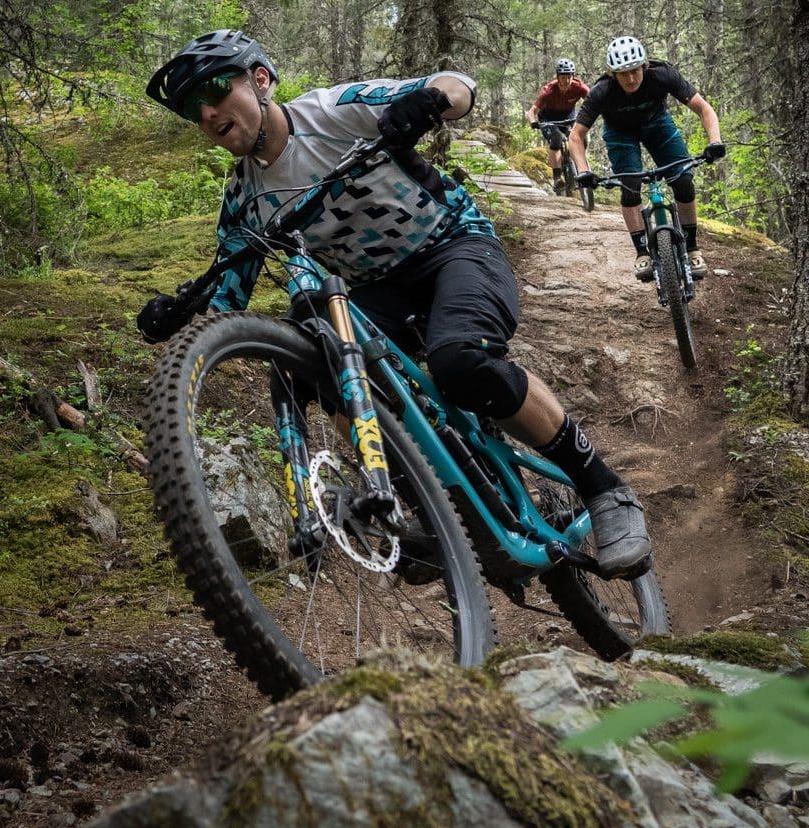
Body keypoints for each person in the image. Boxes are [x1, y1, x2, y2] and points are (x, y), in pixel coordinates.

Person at [136, 29, 655, 579]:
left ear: (260, 80)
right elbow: (226, 296)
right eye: (194, 108)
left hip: (455, 246)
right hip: (375, 290)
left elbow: (457, 86)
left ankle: (606, 491)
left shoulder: (332, 112)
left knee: (460, 360)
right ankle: (424, 505)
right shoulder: (245, 197)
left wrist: (428, 101)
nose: (209, 111)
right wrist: (181, 311)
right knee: (317, 360)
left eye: (216, 90)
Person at [568, 36, 725, 281]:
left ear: (644, 66)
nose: (631, 78)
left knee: (683, 180)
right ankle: (642, 252)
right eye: (623, 74)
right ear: (613, 75)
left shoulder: (662, 75)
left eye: (635, 71)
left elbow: (704, 108)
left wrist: (714, 142)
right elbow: (576, 136)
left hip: (657, 125)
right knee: (629, 187)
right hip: (620, 134)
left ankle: (693, 248)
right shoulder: (602, 91)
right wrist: (583, 170)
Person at [524, 58, 590, 195]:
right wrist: (533, 121)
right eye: (562, 77)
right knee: (556, 139)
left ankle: (578, 166)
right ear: (557, 77)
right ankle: (557, 177)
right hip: (548, 118)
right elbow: (532, 111)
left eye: (568, 77)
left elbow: (593, 100)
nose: (565, 81)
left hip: (569, 116)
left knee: (582, 139)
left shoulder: (579, 87)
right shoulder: (549, 91)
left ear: (573, 77)